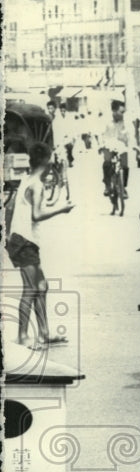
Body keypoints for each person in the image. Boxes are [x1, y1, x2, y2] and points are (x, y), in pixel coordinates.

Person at [7, 142, 75, 349]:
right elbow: (36, 214)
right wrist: (62, 210)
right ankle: (22, 336)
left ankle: (44, 332)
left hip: (25, 240)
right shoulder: (35, 184)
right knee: (31, 289)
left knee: (42, 287)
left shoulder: (29, 180)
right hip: (24, 241)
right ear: (46, 160)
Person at [100, 100, 136, 198]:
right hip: (108, 144)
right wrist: (101, 145)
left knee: (125, 167)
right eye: (121, 112)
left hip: (122, 146)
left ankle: (123, 188)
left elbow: (131, 134)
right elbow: (100, 134)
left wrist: (134, 145)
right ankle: (107, 185)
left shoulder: (126, 121)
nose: (122, 114)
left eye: (124, 112)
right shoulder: (106, 120)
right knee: (107, 163)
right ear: (114, 111)